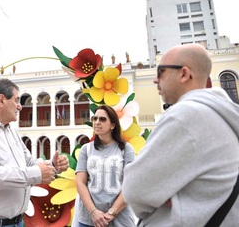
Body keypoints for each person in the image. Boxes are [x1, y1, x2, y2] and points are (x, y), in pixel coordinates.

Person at [122, 43, 239, 226]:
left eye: (160, 71)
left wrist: (166, 192)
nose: (155, 80)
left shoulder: (185, 116)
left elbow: (134, 189)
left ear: (184, 74)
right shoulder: (223, 115)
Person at [0, 77, 70, 227]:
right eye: (17, 100)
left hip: (17, 222)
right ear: (1, 100)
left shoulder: (11, 130)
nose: (20, 107)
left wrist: (51, 165)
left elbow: (29, 162)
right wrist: (37, 174)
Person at [75, 105, 136, 227]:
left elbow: (131, 184)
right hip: (89, 220)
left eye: (102, 119)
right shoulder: (86, 149)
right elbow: (80, 182)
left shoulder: (126, 149)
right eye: (95, 118)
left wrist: (111, 213)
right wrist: (93, 212)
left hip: (121, 220)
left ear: (112, 125)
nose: (97, 122)